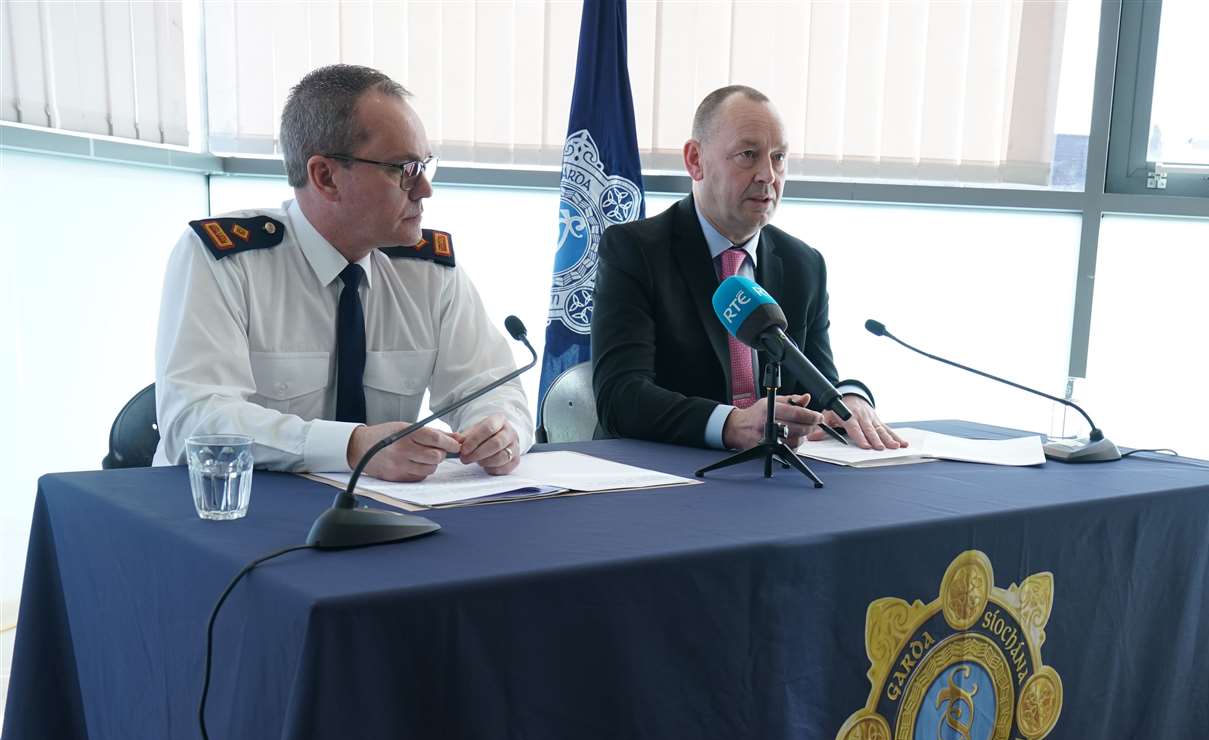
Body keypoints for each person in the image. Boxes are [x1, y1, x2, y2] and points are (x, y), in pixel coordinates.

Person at [154, 65, 532, 480]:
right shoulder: (224, 260)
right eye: (404, 170)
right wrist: (351, 446)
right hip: (237, 516)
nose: (425, 189)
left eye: (426, 165)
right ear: (326, 177)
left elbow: (493, 384)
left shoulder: (427, 269)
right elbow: (195, 420)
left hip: (385, 516)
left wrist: (499, 430)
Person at [590, 85, 904, 451]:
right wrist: (730, 424)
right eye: (748, 155)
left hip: (773, 483)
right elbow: (620, 397)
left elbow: (818, 385)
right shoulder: (635, 251)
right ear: (695, 160)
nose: (768, 175)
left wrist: (850, 399)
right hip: (664, 477)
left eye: (779, 157)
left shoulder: (804, 265)